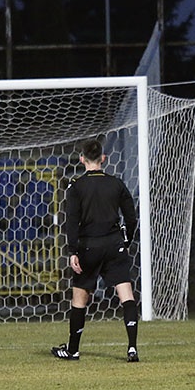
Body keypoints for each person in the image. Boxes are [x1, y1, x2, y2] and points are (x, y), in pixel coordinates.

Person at [51, 139, 140, 362]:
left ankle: (73, 349)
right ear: (103, 158)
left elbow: (71, 221)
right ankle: (132, 348)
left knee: (80, 298)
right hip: (113, 245)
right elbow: (131, 217)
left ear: (82, 159)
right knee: (126, 295)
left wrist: (72, 251)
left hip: (88, 246)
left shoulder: (76, 187)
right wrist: (126, 240)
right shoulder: (116, 184)